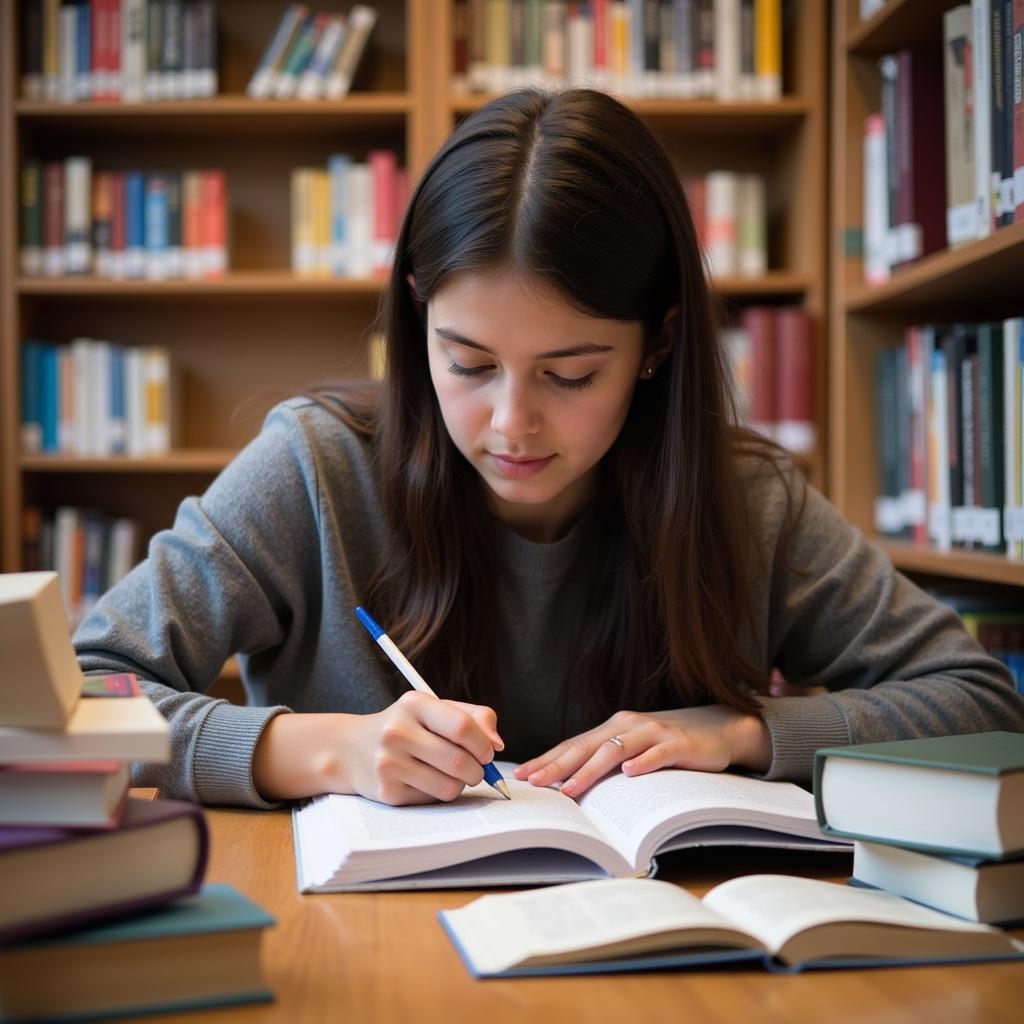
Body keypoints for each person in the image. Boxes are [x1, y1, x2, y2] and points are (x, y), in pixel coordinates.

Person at [74, 89, 1024, 809]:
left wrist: (740, 730)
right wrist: (328, 750)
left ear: (656, 347)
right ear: (418, 316)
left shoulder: (744, 497)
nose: (510, 424)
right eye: (469, 363)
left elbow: (980, 700)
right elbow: (83, 689)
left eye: (570, 375)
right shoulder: (318, 468)